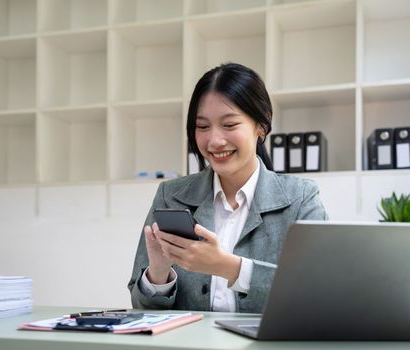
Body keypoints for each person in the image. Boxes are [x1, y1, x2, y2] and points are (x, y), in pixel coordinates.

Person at [127, 63, 328, 313]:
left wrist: (227, 267)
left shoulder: (301, 198)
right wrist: (158, 273)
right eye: (202, 127)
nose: (214, 140)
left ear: (261, 125)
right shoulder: (171, 196)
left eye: (230, 125)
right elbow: (141, 307)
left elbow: (320, 294)